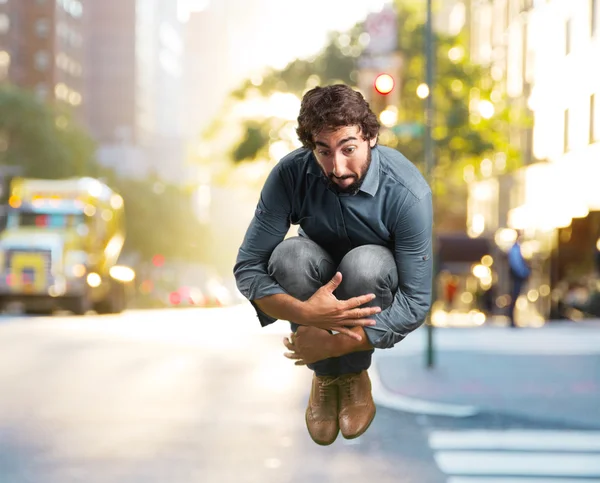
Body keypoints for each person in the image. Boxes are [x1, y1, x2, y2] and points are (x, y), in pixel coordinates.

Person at [233, 84, 433, 446]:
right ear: (310, 146)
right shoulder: (290, 175)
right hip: (314, 274)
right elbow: (248, 267)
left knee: (365, 262)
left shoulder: (408, 192)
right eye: (323, 151)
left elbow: (416, 301)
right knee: (289, 255)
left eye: (348, 149)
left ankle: (354, 374)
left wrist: (340, 344)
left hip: (372, 276)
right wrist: (308, 314)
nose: (337, 167)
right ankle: (326, 378)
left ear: (370, 136)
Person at [507, 232, 531, 327]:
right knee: (514, 297)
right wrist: (524, 273)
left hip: (517, 275)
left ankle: (512, 319)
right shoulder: (515, 249)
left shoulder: (516, 248)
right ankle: (511, 319)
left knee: (514, 297)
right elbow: (516, 264)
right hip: (517, 276)